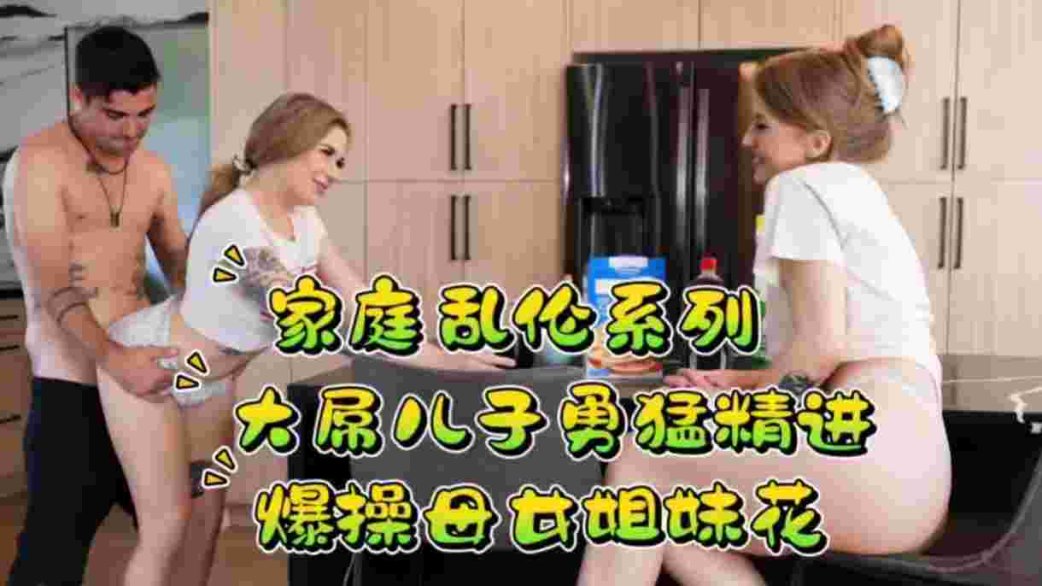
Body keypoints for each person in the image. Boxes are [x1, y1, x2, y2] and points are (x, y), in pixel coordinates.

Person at [576, 24, 951, 586]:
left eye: (762, 125)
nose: (747, 140)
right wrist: (742, 384)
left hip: (876, 466)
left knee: (640, 457)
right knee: (669, 512)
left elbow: (821, 347)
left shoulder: (801, 186)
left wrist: (747, 407)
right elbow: (840, 349)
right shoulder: (857, 191)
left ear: (815, 142)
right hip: (910, 476)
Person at [99, 91, 515, 586]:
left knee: (208, 521)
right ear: (288, 140)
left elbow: (365, 304)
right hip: (152, 362)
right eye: (327, 154)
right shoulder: (236, 224)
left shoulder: (305, 222)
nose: (335, 172)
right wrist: (445, 364)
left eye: (341, 161)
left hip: (210, 382)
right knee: (167, 525)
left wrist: (445, 348)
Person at [3, 26, 189, 586]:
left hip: (139, 378)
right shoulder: (38, 163)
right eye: (115, 115)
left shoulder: (153, 170)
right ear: (78, 97)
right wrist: (115, 358)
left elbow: (179, 267)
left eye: (145, 114)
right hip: (73, 381)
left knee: (173, 528)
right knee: (52, 552)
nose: (131, 131)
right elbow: (53, 284)